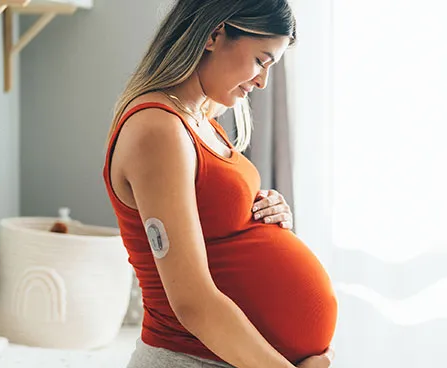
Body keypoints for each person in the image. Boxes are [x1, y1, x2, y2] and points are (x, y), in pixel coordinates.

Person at [103, 1, 338, 367]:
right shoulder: (158, 129)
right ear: (214, 34)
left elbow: (215, 228)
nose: (263, 81)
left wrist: (263, 215)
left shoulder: (198, 118)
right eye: (261, 61)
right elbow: (193, 304)